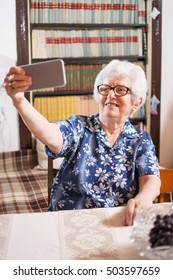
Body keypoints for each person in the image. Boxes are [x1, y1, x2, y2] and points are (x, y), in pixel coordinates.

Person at [4, 59, 161, 226]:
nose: (110, 95)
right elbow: (50, 134)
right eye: (105, 88)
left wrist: (143, 198)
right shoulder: (79, 127)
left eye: (121, 89)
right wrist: (19, 101)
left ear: (136, 102)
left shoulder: (140, 140)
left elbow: (151, 179)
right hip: (69, 223)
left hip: (117, 223)